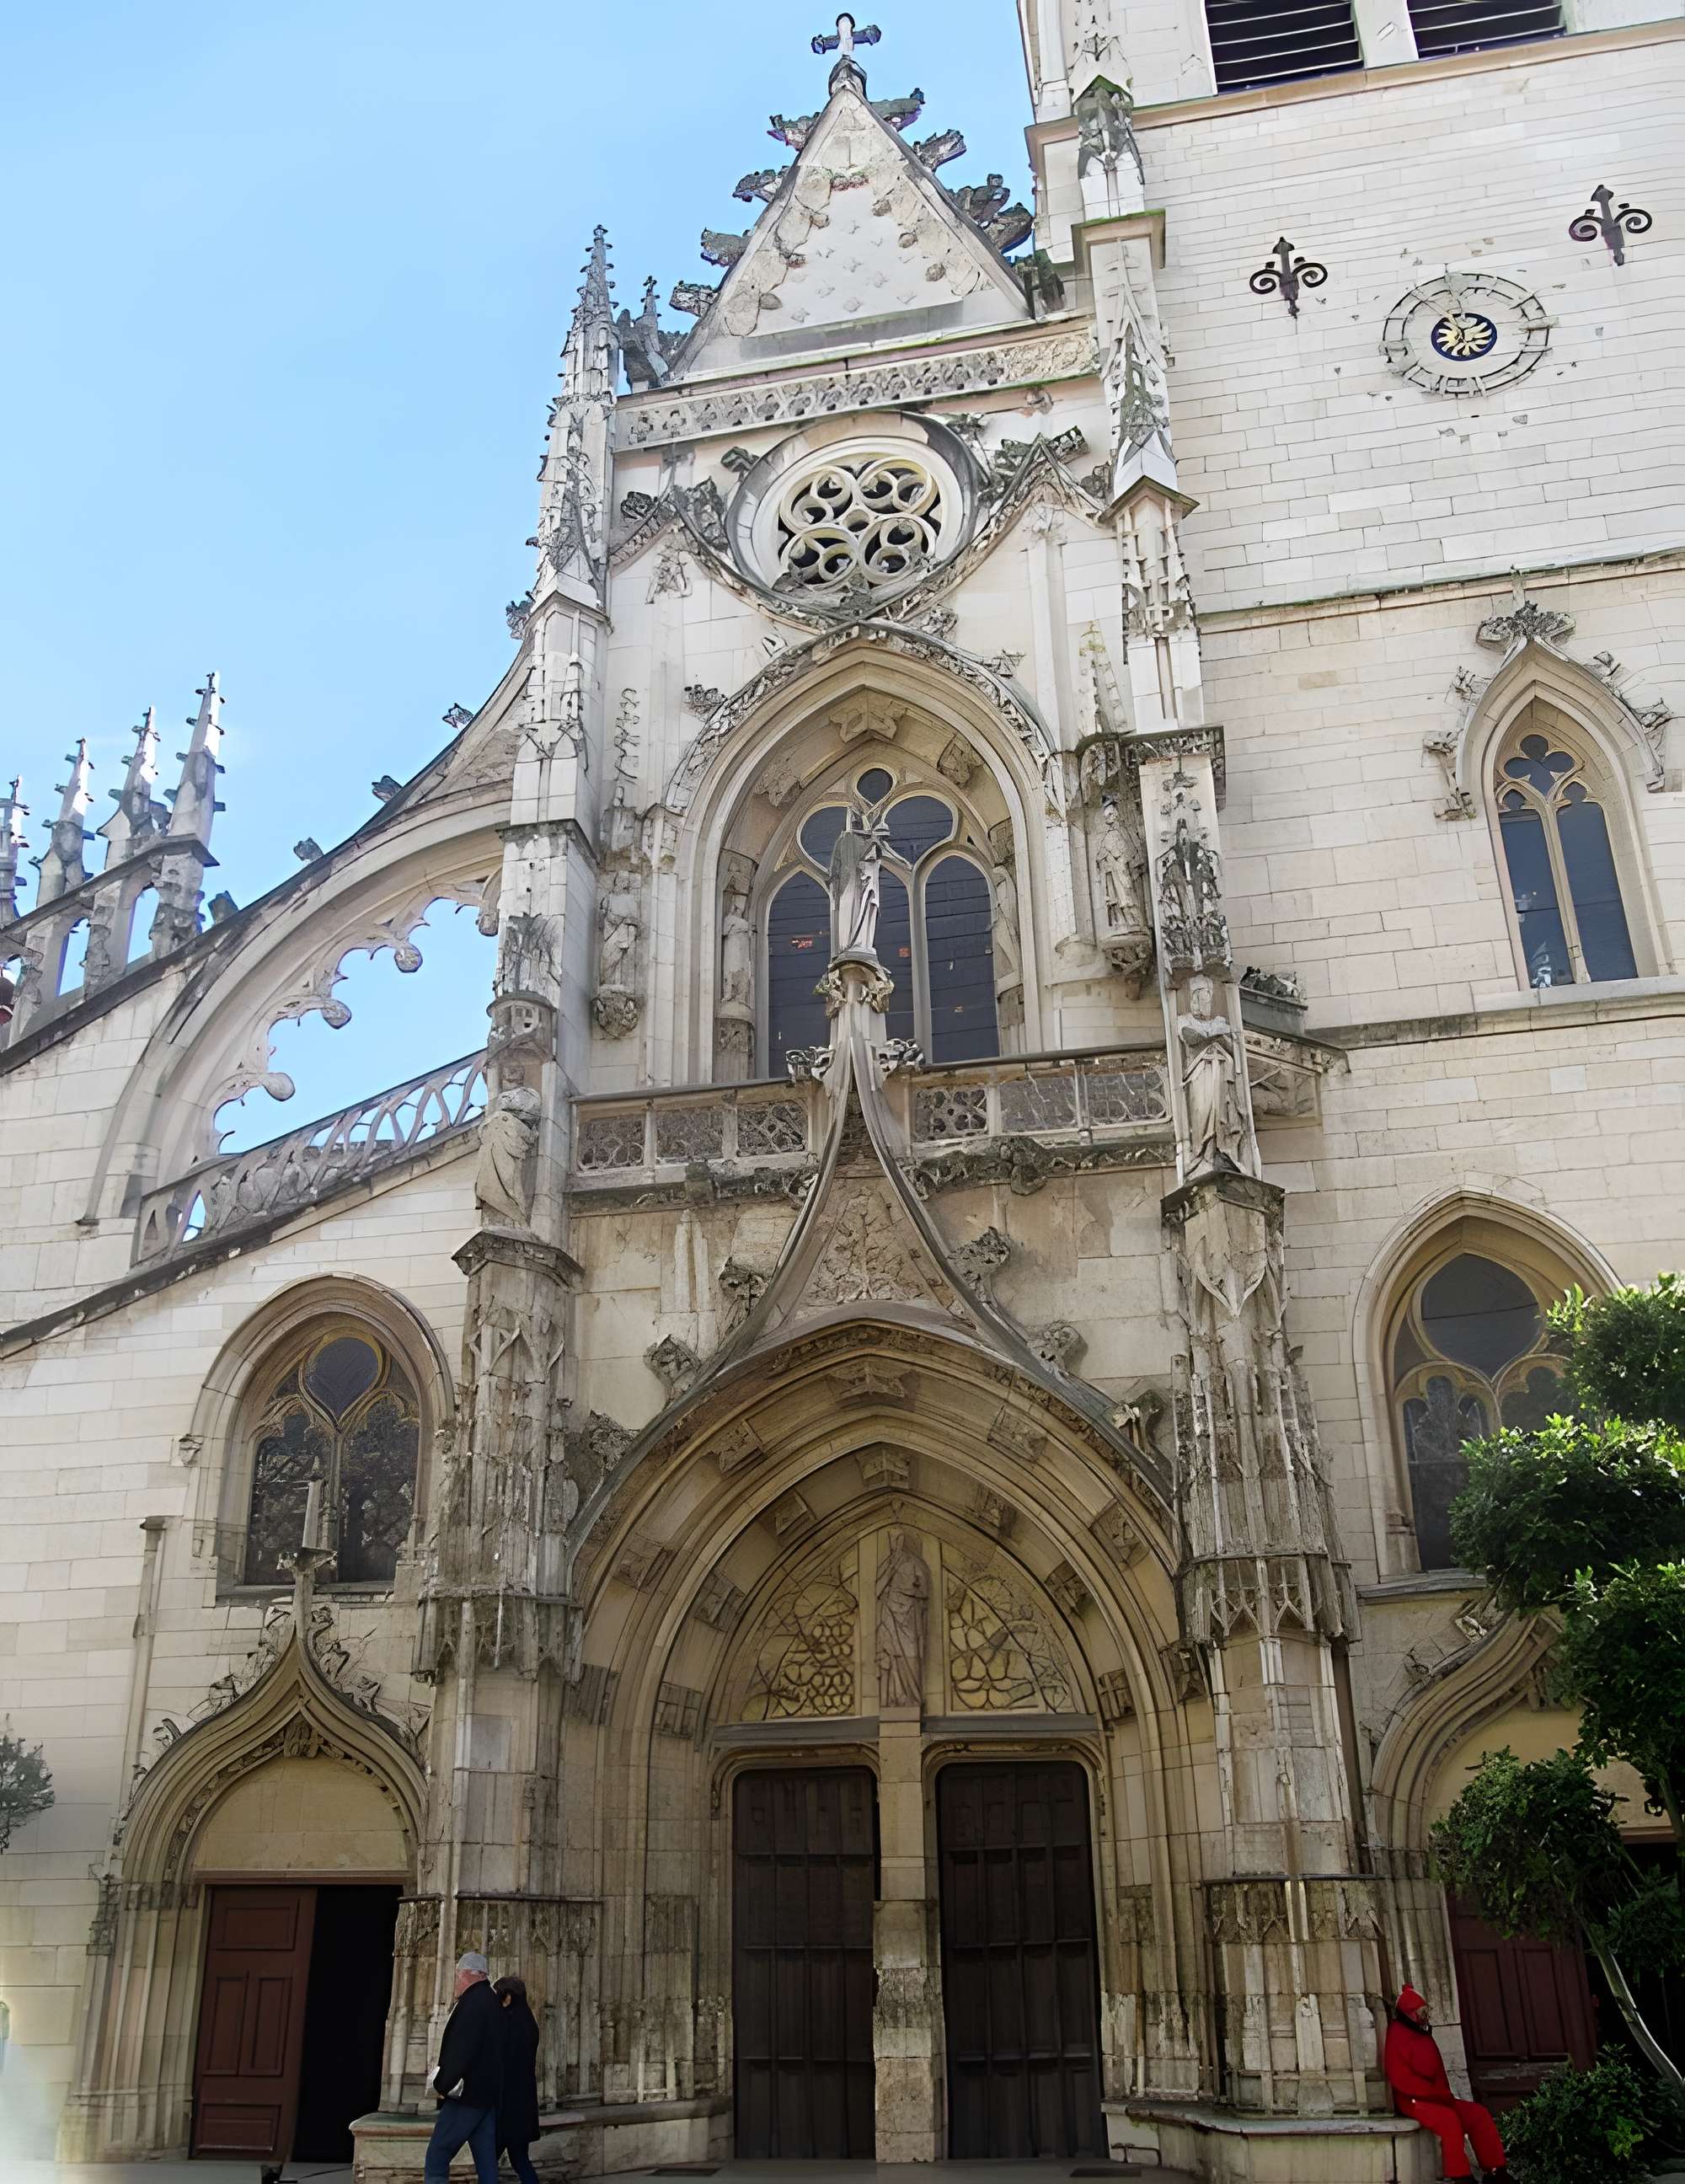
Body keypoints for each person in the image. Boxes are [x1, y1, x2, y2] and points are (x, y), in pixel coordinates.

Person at [1383, 1984, 1509, 2181]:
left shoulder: (1418, 2031)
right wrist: (1435, 2094)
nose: (1425, 2016)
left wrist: (1442, 2095)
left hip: (1438, 2098)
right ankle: (1462, 2177)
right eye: (1421, 2012)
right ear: (1409, 2013)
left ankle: (1496, 2172)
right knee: (1449, 2121)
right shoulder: (1397, 2035)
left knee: (1478, 2115)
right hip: (1415, 2101)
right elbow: (1402, 2080)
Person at [424, 1952, 504, 2184]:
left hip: (467, 2097)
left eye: (458, 1976)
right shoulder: (492, 2001)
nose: (457, 1981)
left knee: (437, 2155)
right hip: (487, 2097)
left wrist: (441, 2084)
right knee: (486, 2162)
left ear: (469, 1975)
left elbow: (461, 2051)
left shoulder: (472, 2004)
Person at [494, 1975, 543, 2184]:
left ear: (508, 1998)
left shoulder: (509, 2023)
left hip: (508, 2106)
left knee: (489, 2159)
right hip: (523, 2104)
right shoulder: (528, 2021)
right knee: (520, 2159)